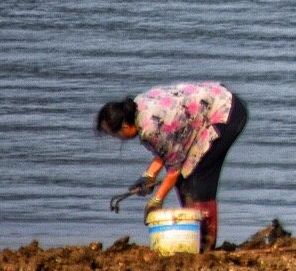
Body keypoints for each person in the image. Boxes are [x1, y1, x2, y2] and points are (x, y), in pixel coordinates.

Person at [97, 82, 247, 251]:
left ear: (125, 127)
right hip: (209, 109)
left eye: (114, 134)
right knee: (185, 180)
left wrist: (156, 200)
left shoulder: (151, 129)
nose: (117, 138)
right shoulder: (138, 107)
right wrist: (149, 175)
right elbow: (168, 148)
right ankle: (196, 238)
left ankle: (206, 244)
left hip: (225, 113)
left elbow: (174, 168)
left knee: (197, 179)